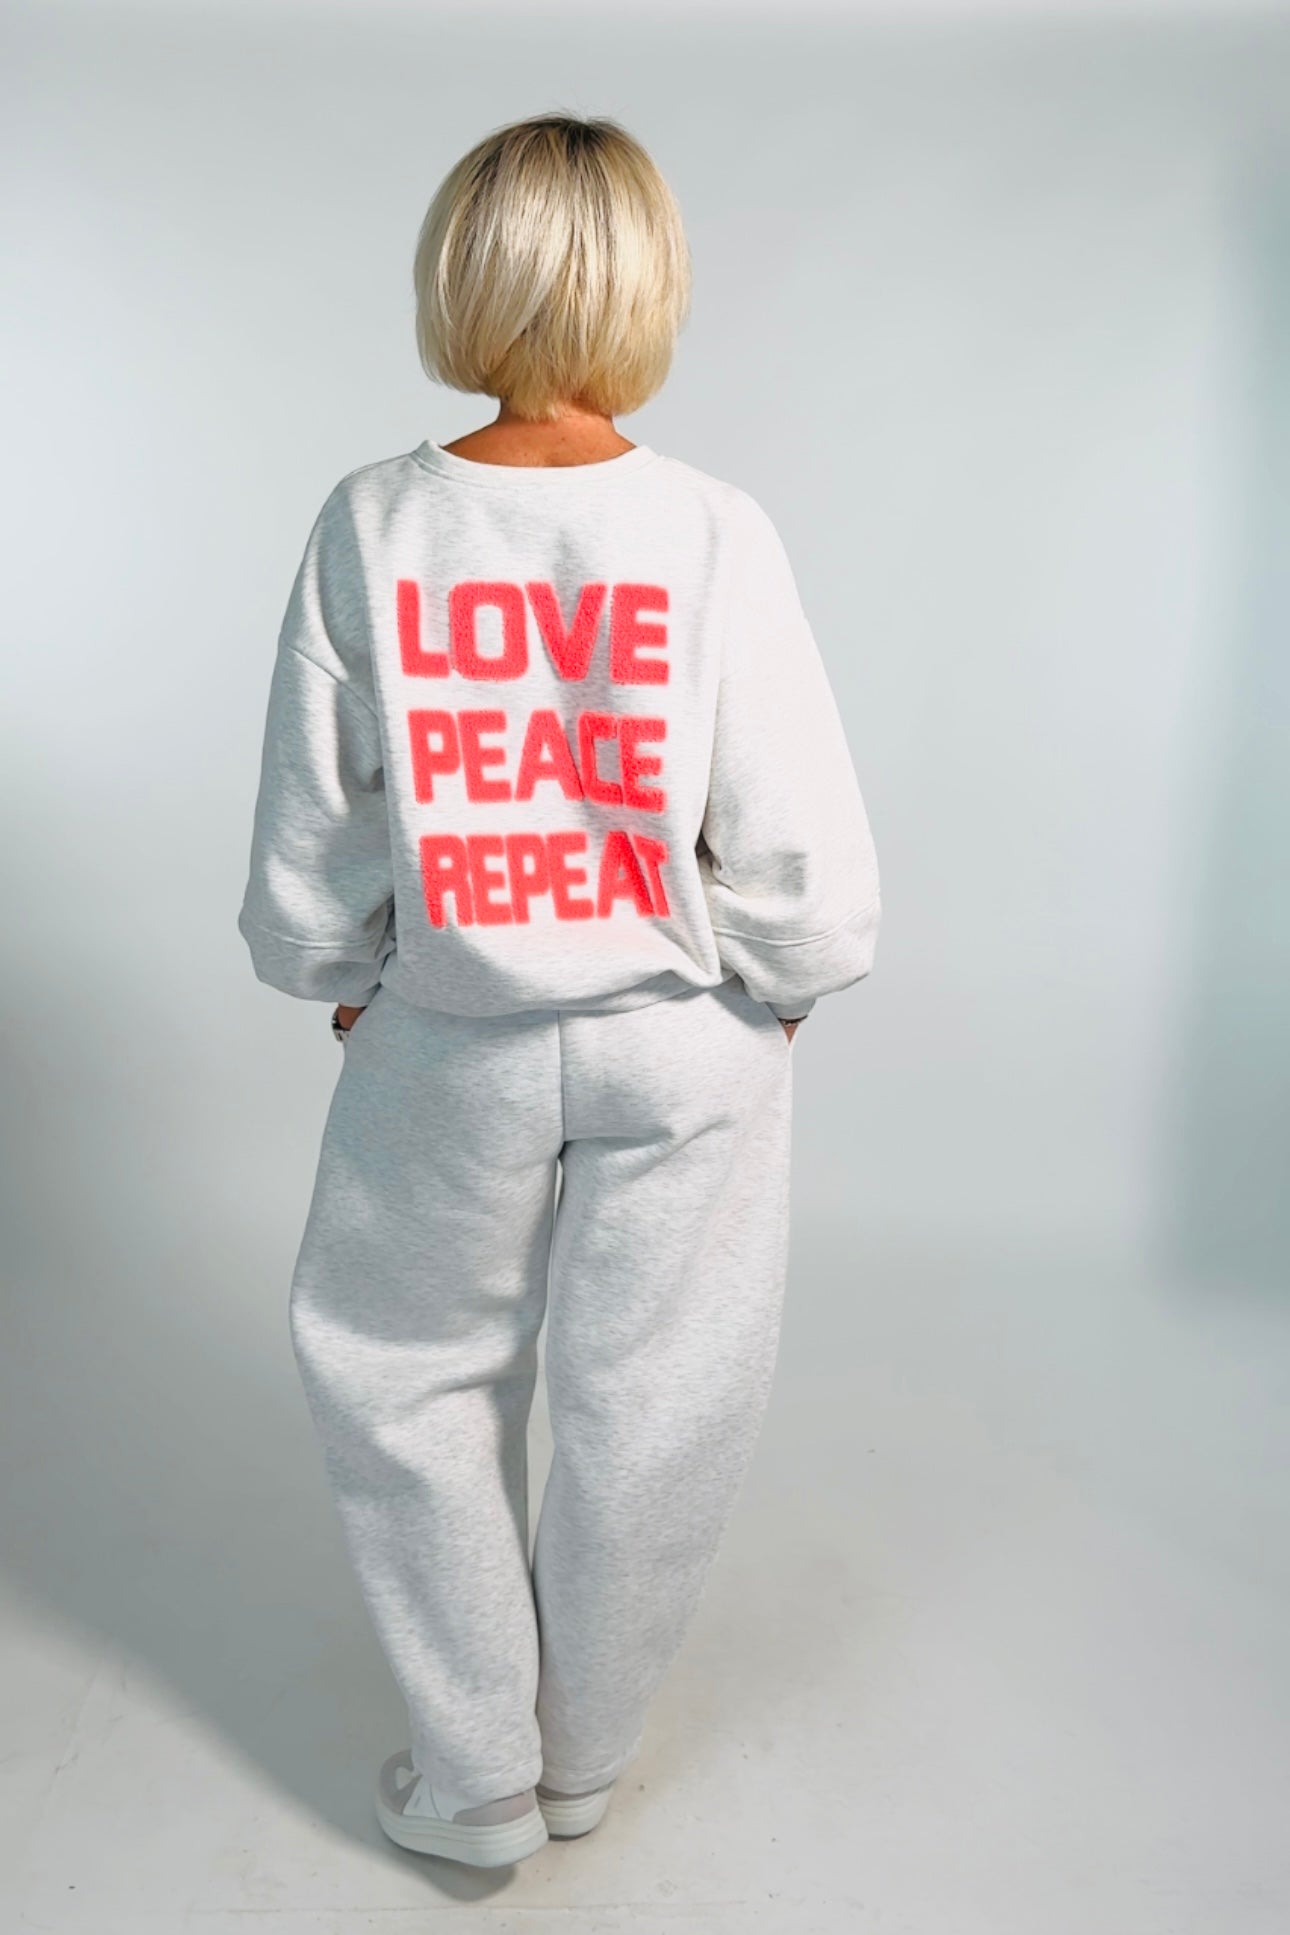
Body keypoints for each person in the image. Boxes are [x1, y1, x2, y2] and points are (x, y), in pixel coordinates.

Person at [237, 111, 881, 1870]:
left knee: (402, 1373)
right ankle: (585, 1756)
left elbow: (317, 814)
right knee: (655, 1399)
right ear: (648, 286)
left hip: (450, 1032)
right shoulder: (711, 529)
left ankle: (476, 1780)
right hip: (683, 1039)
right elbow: (795, 820)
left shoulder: (378, 520)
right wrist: (785, 976)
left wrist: (340, 970)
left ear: (459, 273)